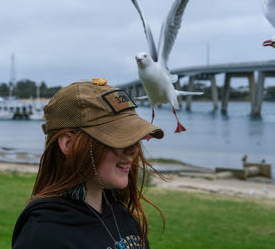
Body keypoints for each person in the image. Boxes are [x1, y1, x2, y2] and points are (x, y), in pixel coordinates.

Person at [12, 79, 167, 249]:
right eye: (119, 138)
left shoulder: (125, 218)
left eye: (134, 137)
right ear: (69, 145)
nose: (134, 150)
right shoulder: (45, 233)